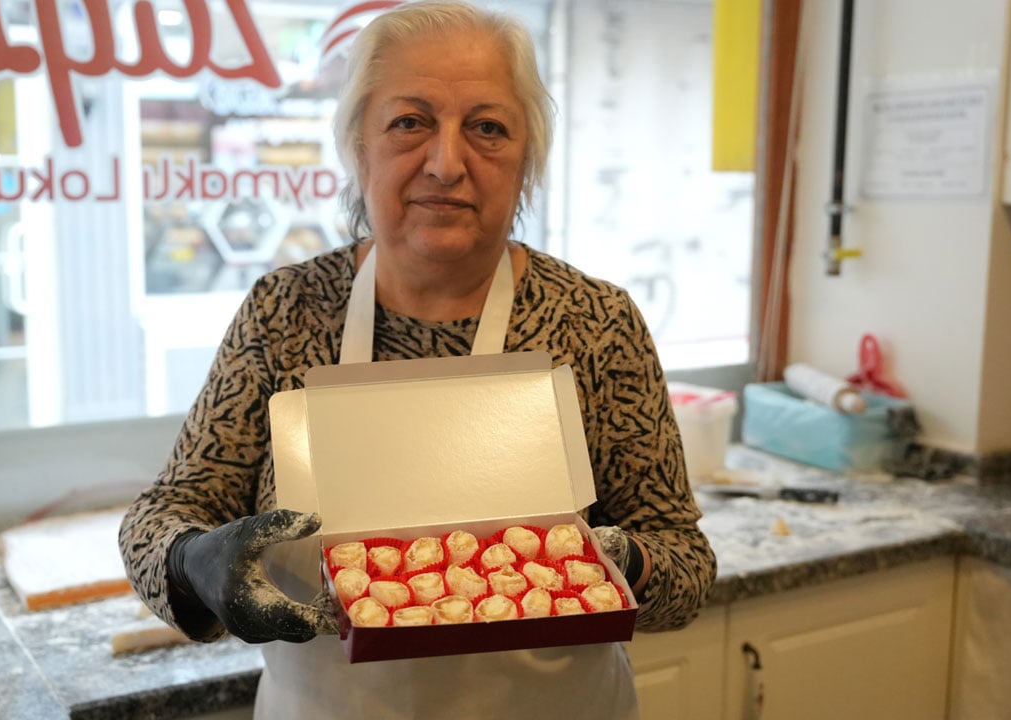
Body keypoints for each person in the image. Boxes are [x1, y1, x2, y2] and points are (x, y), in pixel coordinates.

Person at [119, 1, 716, 717]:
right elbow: (163, 515)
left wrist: (628, 564)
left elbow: (685, 560)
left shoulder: (594, 323)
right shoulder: (285, 313)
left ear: (526, 158)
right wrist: (194, 560)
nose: (446, 162)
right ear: (359, 146)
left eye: (487, 128)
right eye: (410, 122)